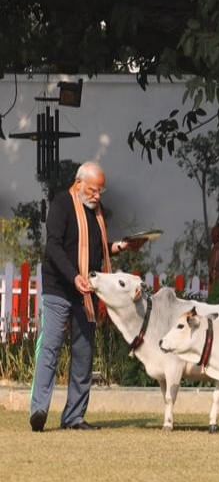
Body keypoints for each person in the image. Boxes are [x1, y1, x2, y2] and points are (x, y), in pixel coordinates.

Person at [29, 162, 142, 431]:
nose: (97, 196)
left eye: (100, 191)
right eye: (93, 190)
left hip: (86, 291)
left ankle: (74, 417)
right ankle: (39, 410)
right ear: (79, 183)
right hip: (60, 287)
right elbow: (53, 247)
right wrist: (73, 276)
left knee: (84, 353)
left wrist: (121, 246)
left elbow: (97, 249)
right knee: (51, 348)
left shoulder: (95, 213)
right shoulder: (62, 205)